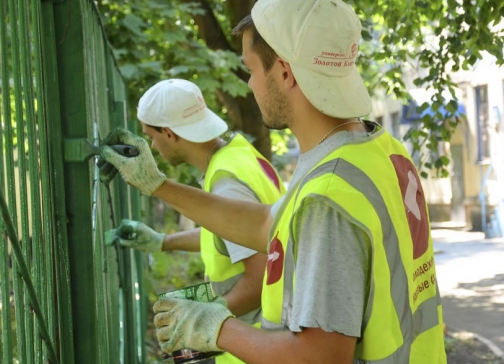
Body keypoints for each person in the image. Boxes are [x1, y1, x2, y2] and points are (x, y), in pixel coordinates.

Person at [100, 0, 447, 362]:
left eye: (250, 69)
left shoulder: (326, 198)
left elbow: (318, 358)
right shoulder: (379, 150)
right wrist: (158, 186)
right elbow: (269, 224)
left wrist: (216, 327)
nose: (249, 83)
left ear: (284, 72)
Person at [104, 78, 285, 364]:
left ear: (169, 133)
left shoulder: (226, 182)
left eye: (151, 136)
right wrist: (163, 241)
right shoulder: (239, 155)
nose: (153, 144)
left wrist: (201, 319)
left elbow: (260, 278)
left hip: (254, 346)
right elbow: (232, 236)